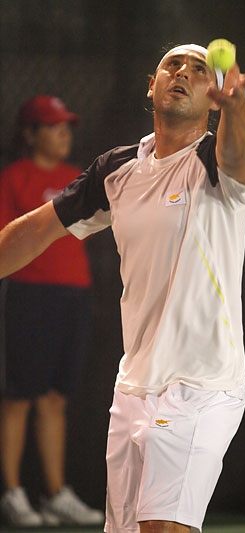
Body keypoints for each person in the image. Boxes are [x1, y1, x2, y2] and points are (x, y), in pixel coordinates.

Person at [0, 44, 245, 533]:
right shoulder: (117, 170)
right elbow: (36, 231)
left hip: (202, 387)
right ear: (151, 85)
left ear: (212, 98)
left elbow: (238, 151)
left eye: (199, 69)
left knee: (162, 527)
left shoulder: (215, 163)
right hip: (133, 389)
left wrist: (237, 106)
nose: (182, 72)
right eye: (172, 65)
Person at [0, 96, 104, 527]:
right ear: (30, 134)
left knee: (55, 398)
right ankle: (13, 494)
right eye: (53, 126)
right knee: (19, 396)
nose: (64, 134)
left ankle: (56, 494)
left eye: (67, 127)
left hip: (73, 297)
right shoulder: (13, 178)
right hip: (28, 297)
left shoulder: (75, 179)